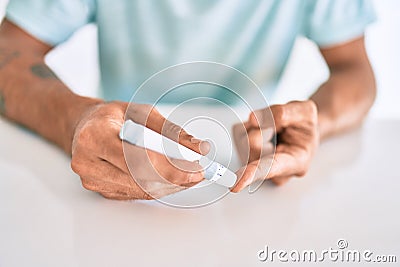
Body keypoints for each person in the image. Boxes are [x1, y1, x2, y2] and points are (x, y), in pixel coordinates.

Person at [0, 0, 376, 200]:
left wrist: (315, 123)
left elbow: (355, 70)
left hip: (257, 180)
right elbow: (7, 53)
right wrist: (76, 120)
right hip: (117, 158)